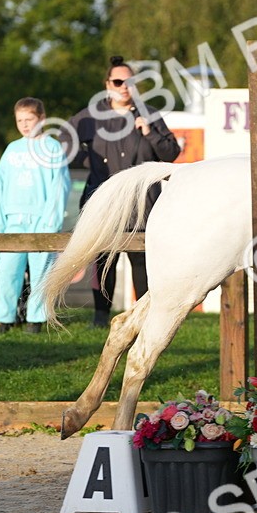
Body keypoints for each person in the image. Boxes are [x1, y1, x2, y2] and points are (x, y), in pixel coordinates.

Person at [61, 56, 180, 326]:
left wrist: (149, 133)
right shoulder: (90, 116)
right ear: (107, 85)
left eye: (130, 82)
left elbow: (171, 153)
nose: (124, 86)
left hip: (142, 203)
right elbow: (63, 144)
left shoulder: (148, 113)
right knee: (104, 260)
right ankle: (100, 316)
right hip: (104, 202)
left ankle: (144, 317)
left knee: (141, 261)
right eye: (118, 81)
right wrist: (86, 161)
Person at [0, 98, 71, 334]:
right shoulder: (12, 150)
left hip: (41, 220)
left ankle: (36, 319)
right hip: (13, 219)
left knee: (42, 271)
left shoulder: (52, 147)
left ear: (42, 119)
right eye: (20, 121)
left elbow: (59, 187)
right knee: (7, 270)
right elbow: (1, 187)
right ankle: (2, 318)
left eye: (29, 119)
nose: (25, 125)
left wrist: (51, 222)